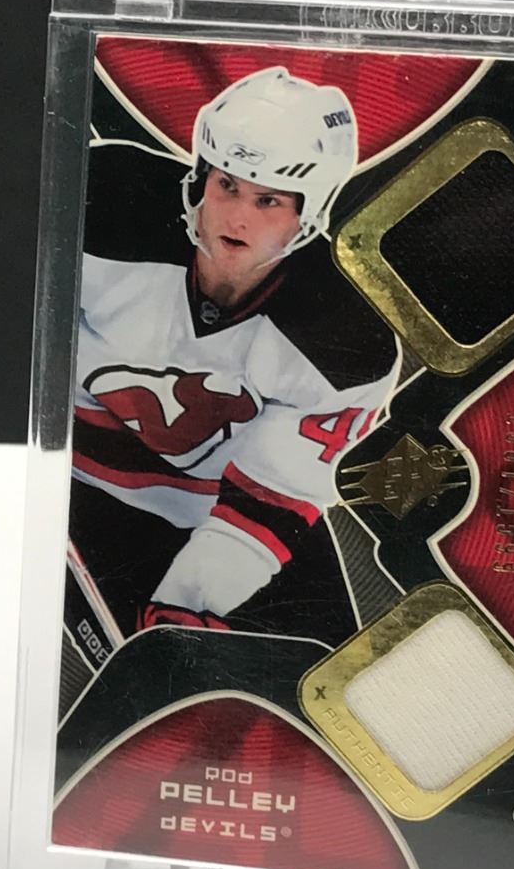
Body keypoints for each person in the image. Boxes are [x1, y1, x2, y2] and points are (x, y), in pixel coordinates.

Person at [67, 66, 398, 669]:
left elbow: (275, 496)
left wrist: (186, 605)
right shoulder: (104, 201)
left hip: (209, 520)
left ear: (310, 213)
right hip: (69, 483)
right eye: (227, 186)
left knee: (324, 675)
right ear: (199, 178)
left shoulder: (347, 342)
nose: (236, 218)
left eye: (268, 200)